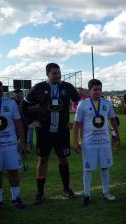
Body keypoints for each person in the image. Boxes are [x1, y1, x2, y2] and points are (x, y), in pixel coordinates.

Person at [23, 63, 81, 205]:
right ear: (47, 74)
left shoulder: (67, 87)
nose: (58, 76)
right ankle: (40, 192)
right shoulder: (38, 88)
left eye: (59, 73)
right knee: (42, 160)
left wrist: (75, 121)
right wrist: (30, 122)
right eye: (54, 73)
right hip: (44, 132)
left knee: (63, 159)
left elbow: (81, 104)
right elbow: (24, 106)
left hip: (62, 131)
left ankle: (66, 188)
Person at [73, 79, 120, 206]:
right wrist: (76, 141)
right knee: (88, 169)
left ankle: (106, 192)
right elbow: (76, 124)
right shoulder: (82, 104)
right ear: (89, 90)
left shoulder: (107, 103)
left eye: (99, 89)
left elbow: (113, 120)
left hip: (104, 141)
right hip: (89, 143)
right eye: (95, 89)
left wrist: (116, 135)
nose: (98, 92)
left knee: (105, 167)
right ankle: (87, 194)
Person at [0, 79, 27, 212]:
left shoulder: (11, 103)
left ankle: (16, 198)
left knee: (13, 171)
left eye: (0, 91)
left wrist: (22, 141)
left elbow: (18, 123)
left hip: (10, 145)